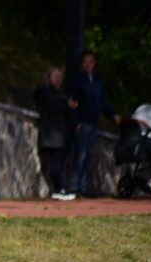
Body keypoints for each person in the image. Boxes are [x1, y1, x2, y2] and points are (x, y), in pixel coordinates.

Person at [67, 50, 122, 197]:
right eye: (85, 62)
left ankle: (83, 187)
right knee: (80, 155)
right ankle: (74, 187)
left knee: (88, 156)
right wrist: (76, 121)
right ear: (82, 64)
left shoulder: (97, 81)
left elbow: (101, 102)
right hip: (82, 123)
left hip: (93, 123)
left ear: (94, 63)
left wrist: (113, 115)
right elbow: (71, 102)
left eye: (90, 61)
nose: (88, 64)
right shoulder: (77, 79)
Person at [34, 67, 76, 200]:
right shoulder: (42, 92)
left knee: (59, 162)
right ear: (48, 77)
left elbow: (68, 112)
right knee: (56, 163)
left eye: (59, 77)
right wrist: (67, 106)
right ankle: (59, 190)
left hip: (62, 133)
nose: (58, 79)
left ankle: (60, 189)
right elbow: (51, 108)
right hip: (51, 133)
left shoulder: (62, 94)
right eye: (55, 76)